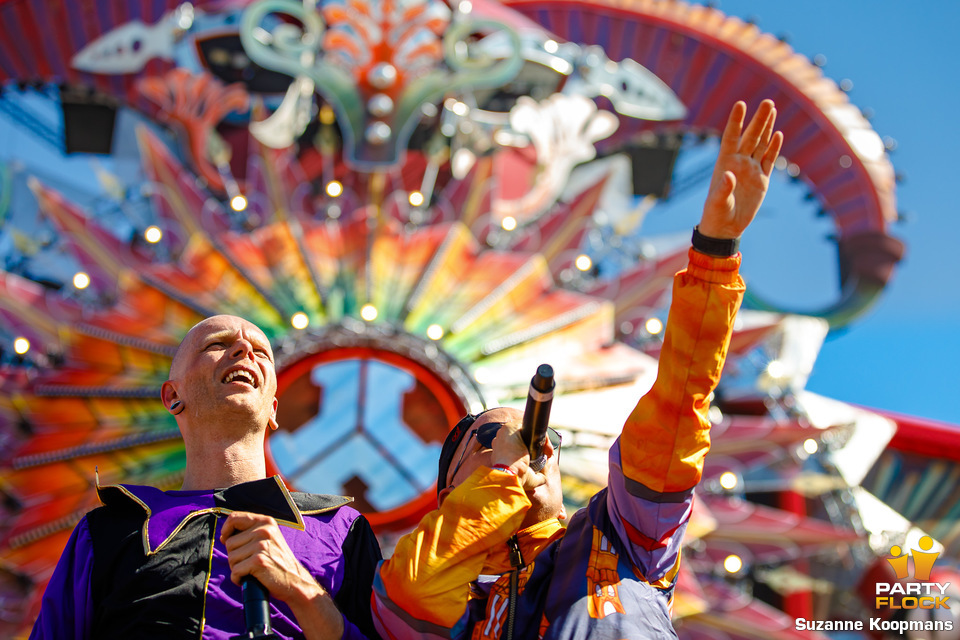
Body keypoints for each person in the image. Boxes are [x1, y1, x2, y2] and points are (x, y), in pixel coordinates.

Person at [371, 99, 783, 639]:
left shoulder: (621, 540)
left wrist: (713, 251)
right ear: (449, 491)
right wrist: (504, 481)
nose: (530, 443)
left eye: (543, 437)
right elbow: (414, 592)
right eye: (494, 436)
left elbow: (676, 414)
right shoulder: (438, 604)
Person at [30, 314, 383, 640]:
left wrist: (300, 589)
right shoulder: (106, 530)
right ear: (173, 396)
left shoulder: (340, 529)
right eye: (217, 344)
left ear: (273, 409)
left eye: (261, 352)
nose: (244, 350)